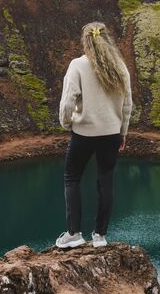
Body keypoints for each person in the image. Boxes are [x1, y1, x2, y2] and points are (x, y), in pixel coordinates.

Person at [56, 22, 133, 249]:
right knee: (106, 181)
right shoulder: (120, 66)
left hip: (83, 133)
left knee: (72, 178)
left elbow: (68, 101)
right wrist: (123, 133)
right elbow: (127, 104)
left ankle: (74, 234)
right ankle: (100, 236)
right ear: (106, 39)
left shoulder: (77, 65)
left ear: (85, 41)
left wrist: (66, 124)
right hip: (111, 133)